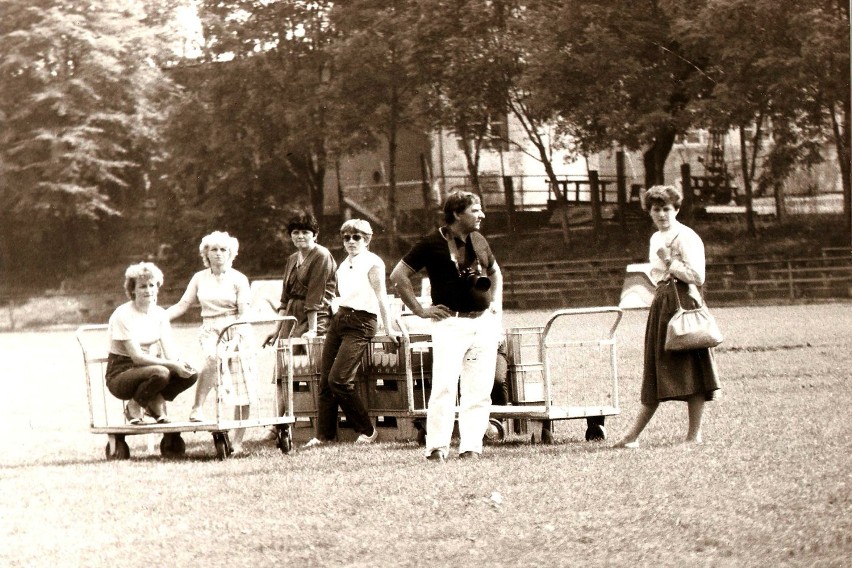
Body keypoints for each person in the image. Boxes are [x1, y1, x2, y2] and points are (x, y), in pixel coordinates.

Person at [390, 191, 503, 462]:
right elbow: (399, 275)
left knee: (478, 389)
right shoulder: (431, 242)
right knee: (444, 386)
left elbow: (496, 272)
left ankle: (471, 447)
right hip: (449, 323)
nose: (482, 215)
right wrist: (420, 310)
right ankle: (438, 447)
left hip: (482, 323)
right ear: (456, 214)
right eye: (475, 210)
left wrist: (496, 308)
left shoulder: (479, 239)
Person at [615, 185, 721, 449]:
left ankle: (693, 435)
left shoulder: (686, 236)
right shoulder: (654, 238)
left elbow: (698, 276)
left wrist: (670, 261)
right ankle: (632, 437)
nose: (661, 215)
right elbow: (655, 273)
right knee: (655, 368)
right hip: (662, 303)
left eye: (666, 209)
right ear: (649, 211)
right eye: (656, 209)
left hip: (684, 303)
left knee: (692, 368)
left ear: (676, 209)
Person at [304, 219, 399, 447]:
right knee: (325, 381)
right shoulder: (344, 263)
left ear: (367, 239)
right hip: (340, 319)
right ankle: (324, 436)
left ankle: (367, 430)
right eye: (346, 237)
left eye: (356, 237)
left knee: (339, 380)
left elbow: (381, 298)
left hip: (362, 322)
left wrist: (389, 328)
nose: (351, 242)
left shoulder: (373, 262)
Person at [166, 231, 257, 453]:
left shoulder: (239, 278)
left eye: (223, 249)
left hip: (236, 329)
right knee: (212, 358)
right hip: (210, 329)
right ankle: (197, 408)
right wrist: (156, 319)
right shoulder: (199, 278)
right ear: (206, 253)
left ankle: (237, 441)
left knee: (242, 385)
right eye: (213, 249)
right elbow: (182, 304)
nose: (218, 254)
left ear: (231, 253)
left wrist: (236, 337)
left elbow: (244, 313)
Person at [106, 262, 197, 424]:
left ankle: (154, 401)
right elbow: (138, 358)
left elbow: (170, 352)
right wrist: (171, 365)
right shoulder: (123, 314)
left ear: (157, 287)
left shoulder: (160, 314)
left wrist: (179, 365)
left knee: (191, 374)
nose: (148, 290)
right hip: (121, 372)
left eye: (151, 285)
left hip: (149, 370)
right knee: (162, 372)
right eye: (142, 286)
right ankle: (133, 406)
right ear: (132, 289)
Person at [265, 212, 337, 344]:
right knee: (288, 362)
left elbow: (315, 296)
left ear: (315, 235)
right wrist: (276, 329)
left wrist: (313, 330)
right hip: (292, 319)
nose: (300, 236)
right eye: (296, 232)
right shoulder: (292, 259)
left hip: (316, 319)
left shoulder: (321, 256)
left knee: (313, 361)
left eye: (305, 232)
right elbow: (285, 299)